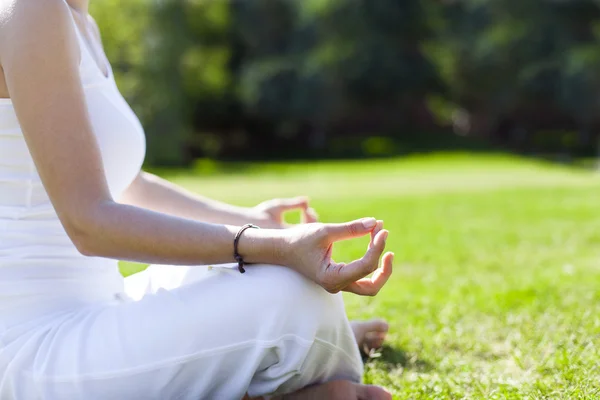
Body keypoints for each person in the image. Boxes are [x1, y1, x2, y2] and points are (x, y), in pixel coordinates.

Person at [0, 0, 395, 398]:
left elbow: (127, 183)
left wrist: (252, 219)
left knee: (291, 281)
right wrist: (270, 244)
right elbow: (88, 222)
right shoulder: (34, 10)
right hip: (36, 350)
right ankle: (281, 360)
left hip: (108, 305)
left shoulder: (80, 21)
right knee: (290, 295)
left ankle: (278, 355)